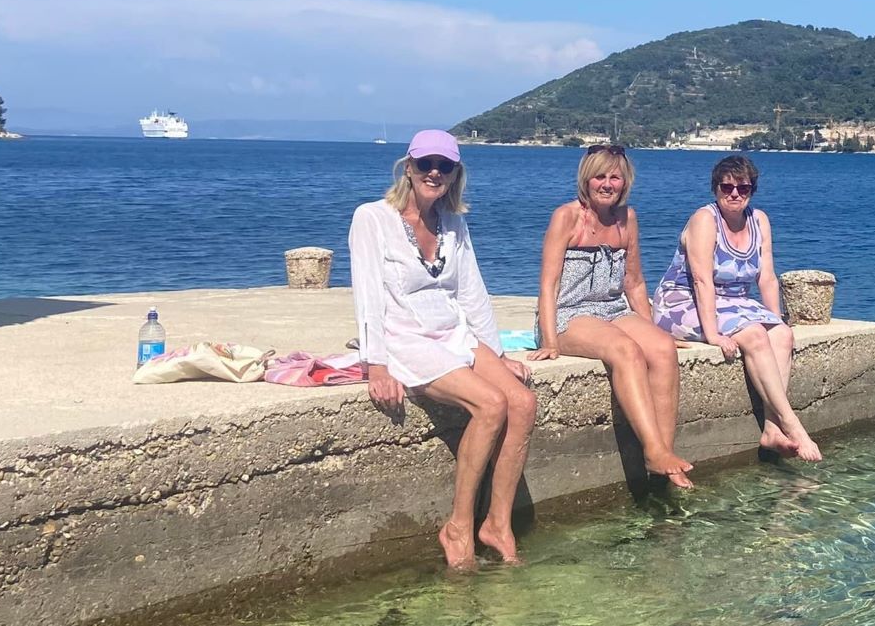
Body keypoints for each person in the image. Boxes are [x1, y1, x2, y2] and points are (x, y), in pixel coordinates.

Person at [348, 129, 537, 569]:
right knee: (490, 405)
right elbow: (367, 295)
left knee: (522, 403)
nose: (435, 172)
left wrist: (496, 353)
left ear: (455, 174)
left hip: (453, 332)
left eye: (445, 166)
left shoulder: (453, 223)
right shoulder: (372, 218)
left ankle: (497, 524)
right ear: (408, 166)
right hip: (404, 338)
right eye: (427, 163)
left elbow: (472, 292)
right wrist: (375, 364)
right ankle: (458, 526)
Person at [526, 145, 694, 488]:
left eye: (614, 177)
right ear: (586, 179)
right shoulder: (566, 217)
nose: (607, 184)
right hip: (568, 313)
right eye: (599, 176)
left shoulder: (627, 218)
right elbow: (548, 283)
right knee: (626, 351)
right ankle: (653, 451)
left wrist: (651, 329)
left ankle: (665, 455)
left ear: (625, 181)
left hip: (613, 309)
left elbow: (634, 282)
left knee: (661, 348)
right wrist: (551, 341)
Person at [652, 155, 823, 462]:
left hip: (734, 303)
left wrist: (777, 319)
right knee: (755, 335)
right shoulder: (705, 220)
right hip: (683, 301)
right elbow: (702, 280)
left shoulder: (759, 221)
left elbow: (767, 277)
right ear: (715, 188)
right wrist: (713, 334)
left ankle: (771, 429)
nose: (733, 194)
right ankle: (792, 424)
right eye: (726, 187)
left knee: (781, 336)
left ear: (751, 190)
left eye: (742, 188)